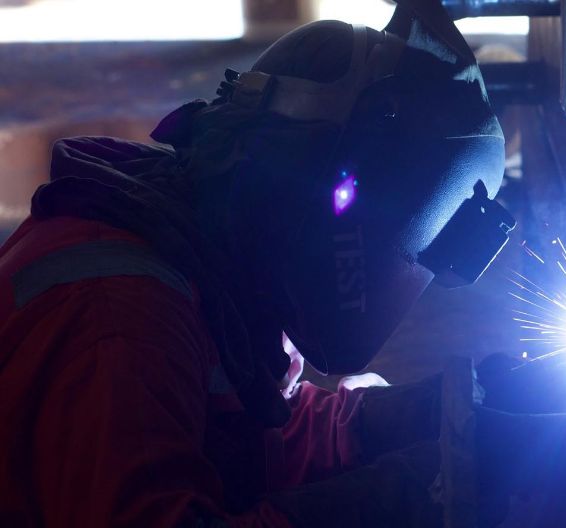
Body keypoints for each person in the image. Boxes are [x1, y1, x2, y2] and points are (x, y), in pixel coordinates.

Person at [0, 0, 514, 525]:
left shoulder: (202, 268)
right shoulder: (120, 320)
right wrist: (410, 499)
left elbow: (247, 440)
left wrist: (421, 413)